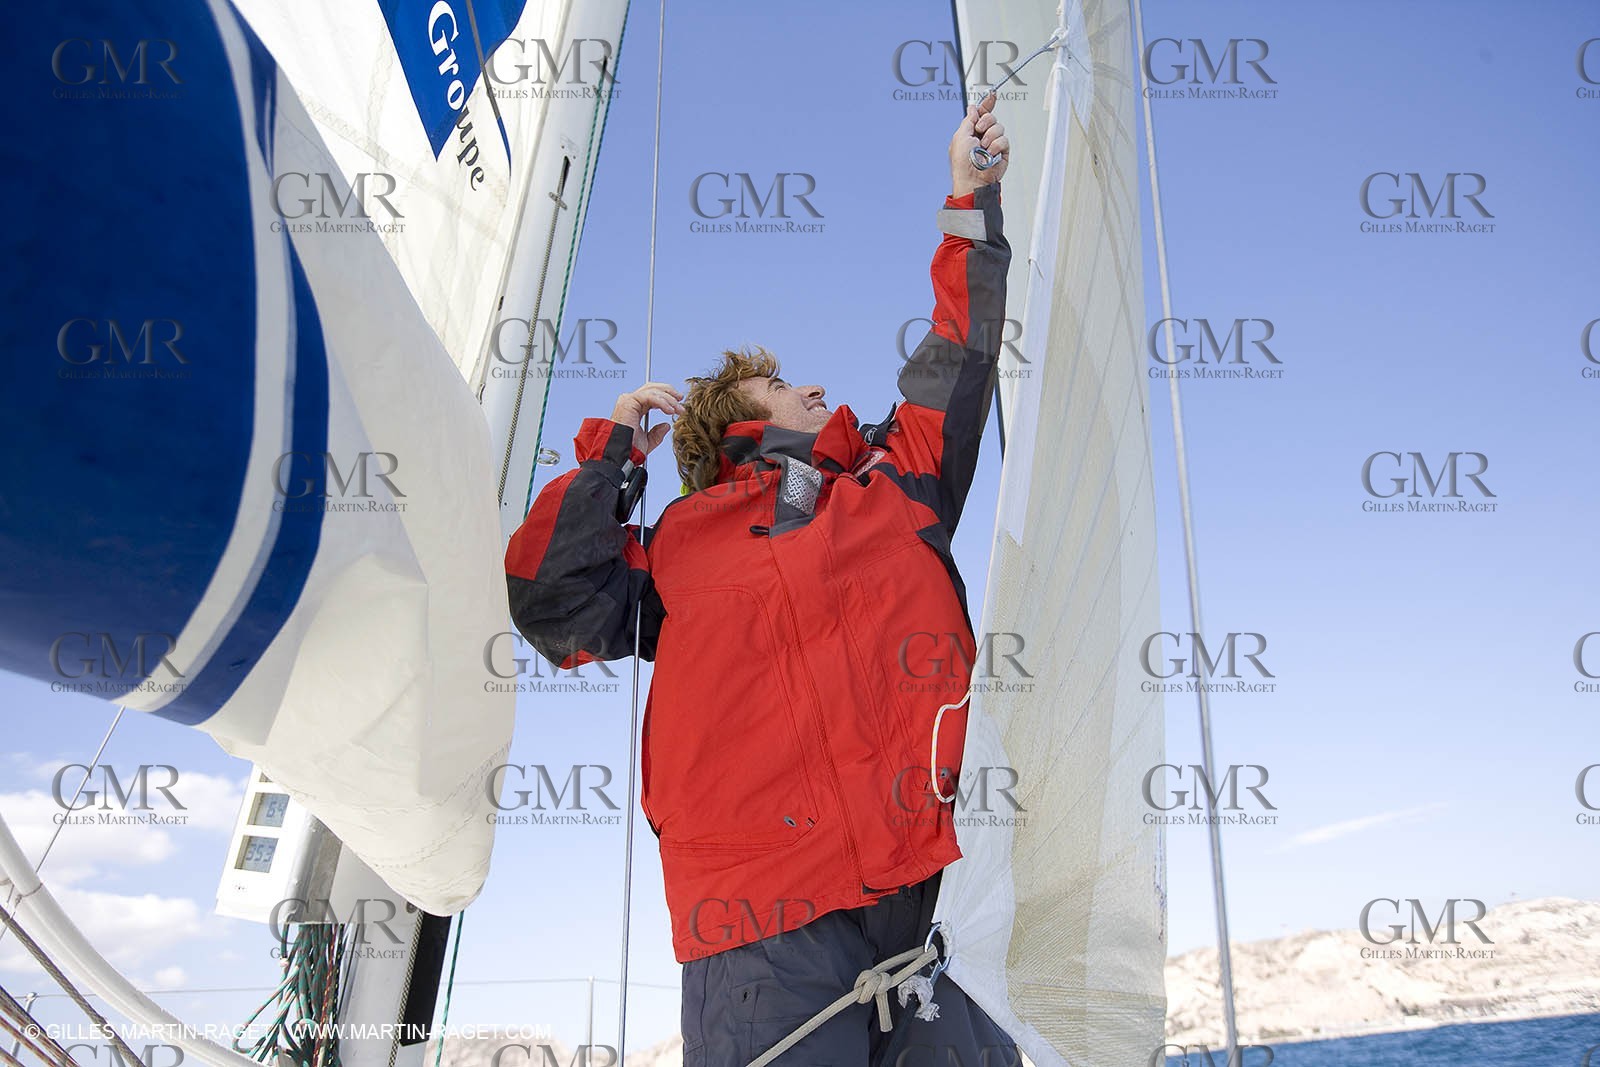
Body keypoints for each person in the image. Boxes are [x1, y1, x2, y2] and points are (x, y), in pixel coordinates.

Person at [506, 95, 1015, 1067]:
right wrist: (614, 451)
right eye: (781, 384)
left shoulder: (896, 474)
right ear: (726, 419)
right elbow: (550, 605)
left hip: (935, 895)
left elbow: (961, 346)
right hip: (756, 924)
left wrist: (966, 197)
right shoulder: (671, 545)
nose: (813, 389)